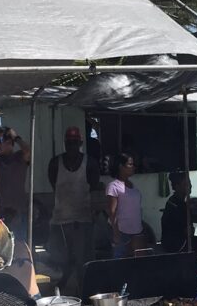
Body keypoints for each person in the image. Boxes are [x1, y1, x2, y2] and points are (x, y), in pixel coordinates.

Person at [48, 126, 100, 294]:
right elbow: (53, 185)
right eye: (69, 143)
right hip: (61, 220)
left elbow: (93, 187)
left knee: (82, 258)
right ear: (65, 143)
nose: (71, 146)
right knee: (63, 258)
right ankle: (64, 287)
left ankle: (83, 289)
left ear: (80, 143)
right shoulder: (56, 163)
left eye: (74, 143)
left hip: (83, 219)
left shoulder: (90, 163)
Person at [106, 153, 144, 257]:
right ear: (121, 167)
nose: (133, 167)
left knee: (137, 264)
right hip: (122, 233)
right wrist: (116, 233)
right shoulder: (113, 187)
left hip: (136, 231)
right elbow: (111, 211)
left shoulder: (132, 185)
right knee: (121, 264)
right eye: (130, 164)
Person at [160, 171, 194, 253]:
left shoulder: (173, 201)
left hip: (170, 244)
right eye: (186, 184)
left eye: (189, 183)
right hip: (177, 246)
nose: (190, 186)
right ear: (177, 186)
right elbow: (188, 231)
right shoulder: (178, 206)